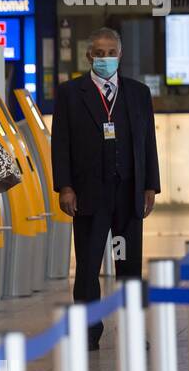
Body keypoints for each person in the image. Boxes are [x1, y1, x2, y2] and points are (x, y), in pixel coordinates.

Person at [51, 27, 160, 350]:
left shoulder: (138, 93)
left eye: (111, 52)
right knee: (87, 266)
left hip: (128, 194)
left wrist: (150, 185)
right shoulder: (71, 93)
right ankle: (88, 330)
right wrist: (65, 187)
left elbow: (148, 143)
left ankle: (131, 330)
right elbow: (61, 145)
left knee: (129, 265)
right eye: (99, 53)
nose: (105, 59)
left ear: (120, 55)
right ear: (89, 55)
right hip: (88, 195)